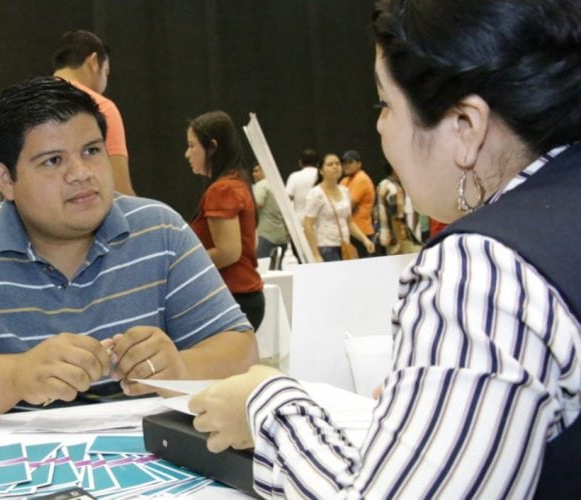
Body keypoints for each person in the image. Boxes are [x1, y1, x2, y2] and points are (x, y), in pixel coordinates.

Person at [188, 0, 581, 496]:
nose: (378, 128)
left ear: (465, 125)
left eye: (384, 106)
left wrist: (268, 406)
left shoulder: (484, 270)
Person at [0, 77, 258, 427]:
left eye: (92, 151)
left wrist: (182, 367)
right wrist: (15, 377)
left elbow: (241, 349)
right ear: (5, 179)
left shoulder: (159, 232)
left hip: (152, 464)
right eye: (53, 160)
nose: (81, 173)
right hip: (13, 471)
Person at [185, 111, 265, 330]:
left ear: (212, 147)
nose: (187, 154)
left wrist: (183, 265)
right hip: (241, 296)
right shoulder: (236, 182)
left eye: (192, 146)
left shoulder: (222, 189)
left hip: (233, 295)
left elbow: (228, 252)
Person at [52, 30, 134, 196]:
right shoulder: (100, 107)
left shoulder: (25, 104)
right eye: (106, 72)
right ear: (94, 62)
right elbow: (120, 192)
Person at [303, 153, 375, 262]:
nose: (335, 167)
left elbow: (349, 221)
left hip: (344, 244)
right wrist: (315, 254)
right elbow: (308, 225)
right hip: (325, 246)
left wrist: (364, 239)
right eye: (330, 164)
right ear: (321, 171)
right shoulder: (316, 193)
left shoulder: (344, 191)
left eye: (337, 164)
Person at [376, 162, 421, 255]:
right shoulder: (394, 189)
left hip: (386, 237)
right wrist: (400, 243)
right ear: (395, 169)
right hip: (399, 238)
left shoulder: (382, 184)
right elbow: (396, 217)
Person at [340, 149, 377, 257]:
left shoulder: (361, 178)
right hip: (349, 232)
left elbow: (347, 207)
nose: (346, 165)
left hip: (362, 232)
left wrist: (342, 208)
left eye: (350, 162)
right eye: (344, 163)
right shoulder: (345, 180)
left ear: (359, 164)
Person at [251, 164, 288, 259]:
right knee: (277, 266)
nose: (253, 174)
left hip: (265, 235)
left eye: (256, 171)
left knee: (262, 264)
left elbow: (257, 203)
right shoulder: (279, 185)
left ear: (265, 170)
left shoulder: (261, 185)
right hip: (281, 236)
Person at [284, 147, 319, 224]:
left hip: (300, 221)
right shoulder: (322, 176)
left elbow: (287, 198)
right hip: (320, 221)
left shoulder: (294, 176)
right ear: (318, 163)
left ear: (300, 162)